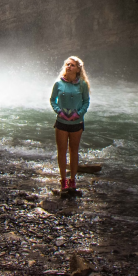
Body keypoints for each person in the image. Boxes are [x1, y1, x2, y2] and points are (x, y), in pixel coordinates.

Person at [50, 55, 90, 192]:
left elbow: (86, 102)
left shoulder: (83, 85)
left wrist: (78, 114)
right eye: (67, 64)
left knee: (74, 151)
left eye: (72, 65)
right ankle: (63, 180)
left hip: (77, 122)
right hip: (61, 122)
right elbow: (52, 100)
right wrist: (59, 112)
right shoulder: (58, 83)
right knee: (61, 151)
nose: (69, 66)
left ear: (78, 69)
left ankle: (72, 180)